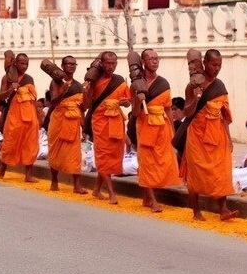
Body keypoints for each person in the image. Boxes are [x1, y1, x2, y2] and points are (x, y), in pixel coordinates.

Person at [180, 49, 238, 221]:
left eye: (219, 65)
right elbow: (187, 112)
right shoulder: (193, 85)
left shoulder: (220, 86)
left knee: (221, 172)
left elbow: (224, 116)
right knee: (196, 172)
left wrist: (228, 138)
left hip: (218, 134)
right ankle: (196, 211)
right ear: (204, 62)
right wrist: (196, 98)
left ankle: (224, 210)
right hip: (197, 134)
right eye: (213, 64)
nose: (217, 68)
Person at [130, 49, 181, 212]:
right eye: (150, 59)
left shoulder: (164, 83)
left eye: (156, 58)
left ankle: (146, 197)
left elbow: (167, 110)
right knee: (147, 163)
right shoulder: (136, 84)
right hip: (145, 125)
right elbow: (135, 112)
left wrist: (173, 133)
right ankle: (153, 201)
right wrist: (139, 100)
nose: (154, 61)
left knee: (162, 162)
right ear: (143, 62)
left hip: (162, 127)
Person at [86, 52, 131, 204]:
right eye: (107, 63)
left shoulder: (119, 81)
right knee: (102, 155)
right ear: (102, 64)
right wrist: (86, 89)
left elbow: (128, 102)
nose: (110, 66)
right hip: (100, 121)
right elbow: (87, 103)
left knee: (112, 155)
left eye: (113, 63)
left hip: (116, 122)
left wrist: (124, 102)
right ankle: (112, 192)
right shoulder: (94, 80)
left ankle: (97, 189)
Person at [45, 56, 87, 194]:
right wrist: (63, 91)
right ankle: (54, 180)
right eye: (68, 64)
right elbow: (53, 102)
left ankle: (77, 185)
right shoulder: (55, 82)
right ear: (62, 66)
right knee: (55, 150)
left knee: (75, 153)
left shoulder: (78, 85)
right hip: (58, 119)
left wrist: (84, 126)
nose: (71, 66)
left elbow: (82, 107)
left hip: (73, 121)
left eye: (74, 64)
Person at [0, 53, 39, 182]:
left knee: (31, 144)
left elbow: (34, 99)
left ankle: (28, 175)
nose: (24, 66)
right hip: (15, 115)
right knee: (11, 142)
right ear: (15, 63)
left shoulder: (29, 79)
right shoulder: (7, 78)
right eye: (22, 63)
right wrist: (11, 89)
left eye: (26, 63)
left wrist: (38, 117)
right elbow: (2, 97)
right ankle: (3, 165)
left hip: (30, 114)